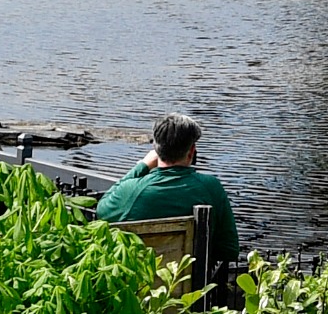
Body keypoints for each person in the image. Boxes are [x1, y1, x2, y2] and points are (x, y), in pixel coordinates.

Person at [92, 111, 239, 281]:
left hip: (136, 292)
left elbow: (101, 209)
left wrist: (143, 165)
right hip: (190, 294)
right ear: (191, 151)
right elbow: (229, 250)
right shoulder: (210, 187)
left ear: (156, 149)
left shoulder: (131, 191)